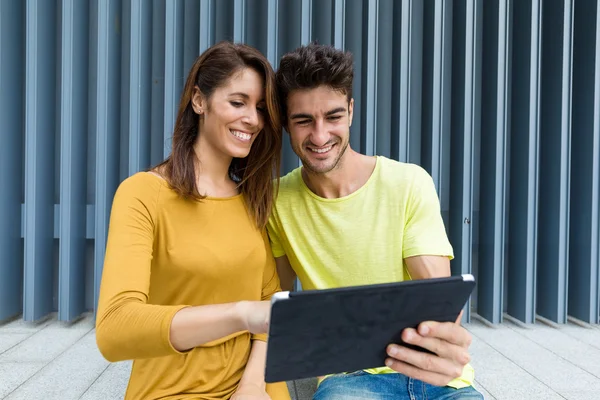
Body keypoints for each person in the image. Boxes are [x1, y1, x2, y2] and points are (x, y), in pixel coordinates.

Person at [267, 43, 483, 399]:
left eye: (333, 117)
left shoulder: (408, 183)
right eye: (304, 121)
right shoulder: (277, 201)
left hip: (434, 375)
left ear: (351, 111)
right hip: (351, 380)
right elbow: (275, 305)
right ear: (286, 124)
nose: (320, 136)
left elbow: (439, 304)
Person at [95, 41, 290, 400]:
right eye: (238, 102)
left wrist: (251, 386)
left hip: (257, 385)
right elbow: (114, 329)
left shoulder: (253, 198)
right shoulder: (142, 194)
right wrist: (241, 314)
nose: (253, 119)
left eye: (261, 108)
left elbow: (271, 302)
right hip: (173, 389)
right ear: (199, 101)